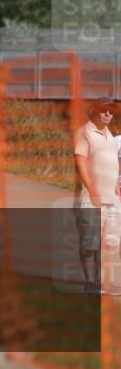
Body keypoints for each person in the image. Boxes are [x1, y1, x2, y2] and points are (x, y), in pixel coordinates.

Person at [74, 97, 120, 293]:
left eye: (111, 111)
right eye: (104, 110)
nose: (108, 114)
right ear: (95, 111)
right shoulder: (84, 132)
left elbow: (112, 163)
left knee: (106, 244)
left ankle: (100, 282)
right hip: (90, 197)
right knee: (90, 243)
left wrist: (117, 184)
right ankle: (89, 281)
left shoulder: (110, 136)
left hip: (111, 199)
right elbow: (81, 162)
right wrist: (92, 190)